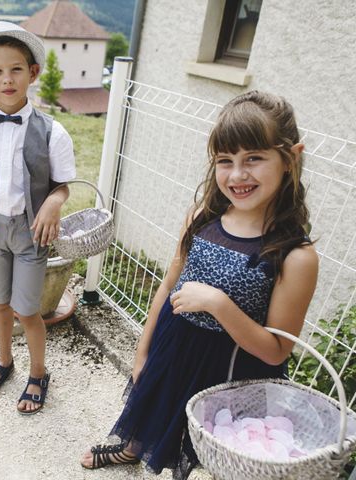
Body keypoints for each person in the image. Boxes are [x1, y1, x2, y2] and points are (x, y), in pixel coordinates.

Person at [80, 91, 319, 477]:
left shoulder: (294, 255)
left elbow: (275, 352)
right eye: (226, 161)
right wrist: (143, 354)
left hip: (227, 371)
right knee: (153, 408)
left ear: (290, 158)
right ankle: (132, 448)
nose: (238, 175)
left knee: (207, 448)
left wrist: (219, 304)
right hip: (172, 347)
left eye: (253, 158)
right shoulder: (201, 217)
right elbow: (168, 285)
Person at [0, 21, 76, 414]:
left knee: (27, 309)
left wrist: (54, 203)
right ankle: (5, 360)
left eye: (16, 69)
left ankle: (38, 372)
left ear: (33, 73)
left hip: (29, 236)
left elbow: (62, 185)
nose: (8, 79)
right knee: (0, 303)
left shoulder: (53, 131)